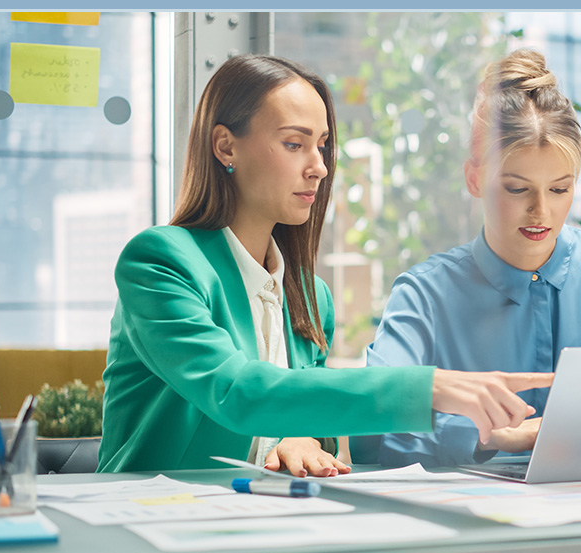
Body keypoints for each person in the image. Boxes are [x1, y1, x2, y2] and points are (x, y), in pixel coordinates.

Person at [98, 55, 544, 475]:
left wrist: (302, 439)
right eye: (295, 144)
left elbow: (309, 417)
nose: (319, 167)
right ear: (225, 146)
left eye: (323, 145)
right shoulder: (161, 262)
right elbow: (237, 393)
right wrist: (429, 389)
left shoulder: (312, 297)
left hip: (259, 523)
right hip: (150, 525)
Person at [366, 48, 581, 553]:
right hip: (485, 547)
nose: (542, 212)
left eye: (560, 189)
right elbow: (381, 434)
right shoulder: (423, 294)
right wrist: (486, 435)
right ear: (474, 178)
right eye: (517, 189)